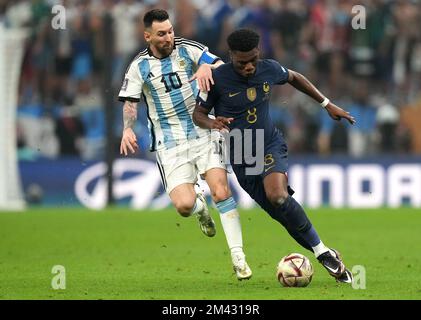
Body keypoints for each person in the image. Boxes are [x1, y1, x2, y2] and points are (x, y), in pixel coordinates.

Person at [193, 28, 356, 283]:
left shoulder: (269, 68)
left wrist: (327, 104)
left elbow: (294, 77)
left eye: (253, 60)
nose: (249, 67)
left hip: (269, 144)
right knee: (282, 214)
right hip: (242, 155)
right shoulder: (218, 79)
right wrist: (213, 122)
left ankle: (324, 255)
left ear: (258, 53)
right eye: (241, 62)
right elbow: (198, 115)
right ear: (231, 56)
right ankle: (323, 250)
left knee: (278, 196)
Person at [118, 9, 252, 280]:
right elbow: (131, 103)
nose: (168, 37)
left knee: (221, 191)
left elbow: (220, 65)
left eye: (170, 31)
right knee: (183, 205)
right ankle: (201, 211)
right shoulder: (139, 66)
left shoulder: (188, 48)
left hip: (203, 131)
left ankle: (238, 257)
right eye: (161, 34)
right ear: (147, 36)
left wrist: (206, 65)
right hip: (169, 143)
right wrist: (127, 130)